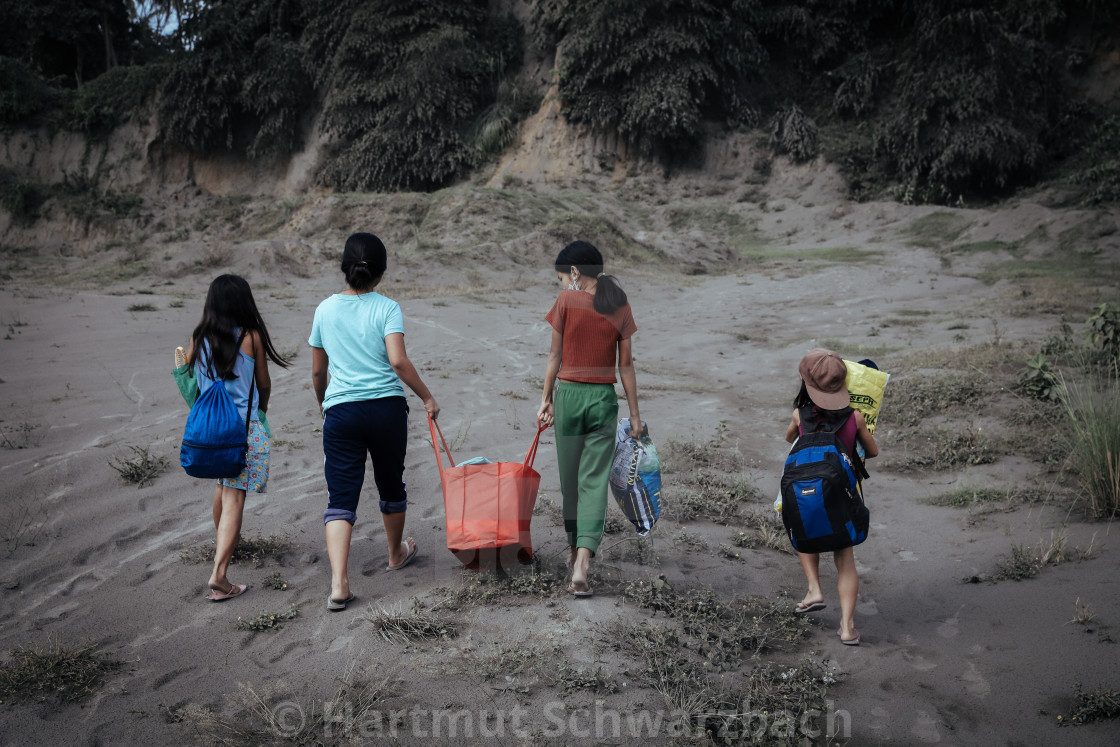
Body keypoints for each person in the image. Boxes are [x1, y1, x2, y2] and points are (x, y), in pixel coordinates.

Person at [309, 233, 440, 612]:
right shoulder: (387, 307)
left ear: (343, 269)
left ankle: (338, 584)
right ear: (380, 274)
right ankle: (396, 553)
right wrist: (427, 397)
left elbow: (318, 372)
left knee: (341, 496)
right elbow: (398, 362)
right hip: (386, 409)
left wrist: (325, 404)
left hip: (342, 412)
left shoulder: (324, 310)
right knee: (390, 483)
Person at [537, 240, 640, 597]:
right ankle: (583, 560)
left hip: (569, 397)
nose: (563, 285)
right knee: (593, 481)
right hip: (603, 399)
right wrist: (636, 415)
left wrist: (546, 399)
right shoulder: (620, 304)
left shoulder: (566, 301)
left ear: (576, 273)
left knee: (570, 482)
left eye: (563, 278)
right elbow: (625, 366)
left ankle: (572, 550)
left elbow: (554, 356)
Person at [186, 274, 289, 602]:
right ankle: (219, 575)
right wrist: (262, 410)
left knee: (222, 487)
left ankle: (224, 544)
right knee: (234, 498)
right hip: (242, 434)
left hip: (208, 432)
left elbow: (189, 379)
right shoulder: (251, 337)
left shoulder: (199, 336)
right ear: (244, 303)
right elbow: (264, 383)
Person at [783, 348, 879, 645]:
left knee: (805, 529)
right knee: (845, 558)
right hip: (843, 492)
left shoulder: (800, 415)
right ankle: (848, 628)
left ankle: (814, 588)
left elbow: (790, 439)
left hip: (805, 490)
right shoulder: (856, 417)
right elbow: (872, 452)